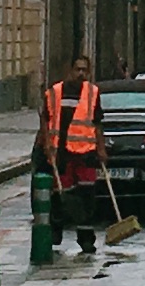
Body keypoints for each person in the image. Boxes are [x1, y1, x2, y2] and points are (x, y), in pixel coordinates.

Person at [37, 53, 108, 260]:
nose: (81, 74)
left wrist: (101, 149)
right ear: (70, 71)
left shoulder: (93, 93)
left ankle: (86, 239)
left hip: (85, 153)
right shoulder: (55, 92)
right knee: (61, 195)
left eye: (84, 70)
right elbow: (45, 119)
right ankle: (55, 231)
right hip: (62, 154)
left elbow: (97, 123)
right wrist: (46, 143)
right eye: (77, 69)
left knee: (86, 197)